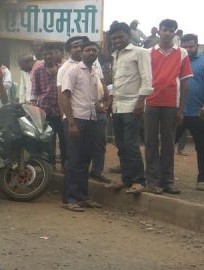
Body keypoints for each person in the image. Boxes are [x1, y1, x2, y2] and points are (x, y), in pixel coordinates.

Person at [144, 19, 192, 194]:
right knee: (150, 142)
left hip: (171, 104)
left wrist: (181, 109)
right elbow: (143, 78)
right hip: (150, 102)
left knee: (168, 144)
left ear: (175, 33)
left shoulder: (182, 53)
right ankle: (152, 181)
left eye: (171, 30)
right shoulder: (148, 53)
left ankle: (167, 181)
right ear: (159, 32)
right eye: (164, 30)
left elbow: (185, 83)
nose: (167, 33)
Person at [109, 21, 153, 194]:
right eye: (114, 38)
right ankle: (126, 179)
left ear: (128, 35)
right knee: (121, 146)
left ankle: (139, 181)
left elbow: (147, 79)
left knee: (131, 145)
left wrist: (141, 102)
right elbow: (116, 81)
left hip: (132, 106)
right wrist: (111, 100)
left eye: (120, 37)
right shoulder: (115, 55)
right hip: (117, 106)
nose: (117, 40)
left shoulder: (140, 52)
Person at [60, 42, 103, 211]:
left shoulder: (94, 72)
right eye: (88, 50)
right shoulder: (73, 70)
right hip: (76, 120)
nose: (92, 52)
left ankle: (82, 197)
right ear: (82, 53)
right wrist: (71, 123)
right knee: (73, 160)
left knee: (85, 160)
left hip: (91, 119)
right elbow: (65, 97)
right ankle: (69, 199)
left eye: (94, 50)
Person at [174, 34, 204, 191]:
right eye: (184, 46)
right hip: (178, 113)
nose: (188, 49)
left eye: (190, 46)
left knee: (201, 146)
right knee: (168, 144)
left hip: (199, 112)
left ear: (197, 45)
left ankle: (202, 179)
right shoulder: (177, 61)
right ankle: (164, 176)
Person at [30, 45, 64, 168]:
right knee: (49, 139)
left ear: (56, 54)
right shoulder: (38, 71)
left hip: (62, 110)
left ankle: (65, 165)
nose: (48, 56)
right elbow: (34, 92)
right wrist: (35, 112)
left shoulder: (63, 69)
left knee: (64, 139)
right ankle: (51, 166)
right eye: (45, 54)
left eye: (50, 53)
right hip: (45, 110)